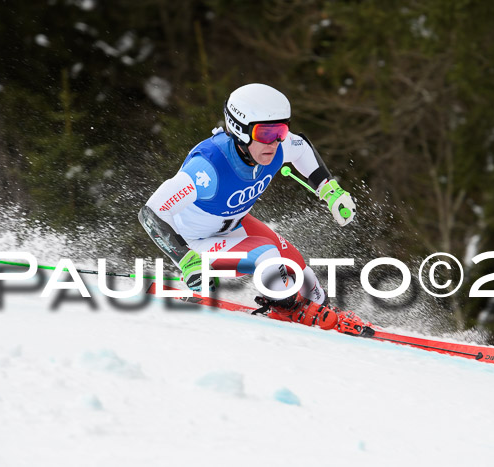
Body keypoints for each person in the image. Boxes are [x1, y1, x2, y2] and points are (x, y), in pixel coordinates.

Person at [139, 83, 367, 335]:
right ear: (239, 130)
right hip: (196, 243)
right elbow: (151, 213)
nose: (275, 142)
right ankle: (289, 307)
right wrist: (186, 260)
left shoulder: (277, 146)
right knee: (267, 256)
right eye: (266, 134)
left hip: (233, 227)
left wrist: (330, 191)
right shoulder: (207, 168)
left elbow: (301, 148)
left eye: (280, 131)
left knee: (302, 272)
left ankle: (320, 311)